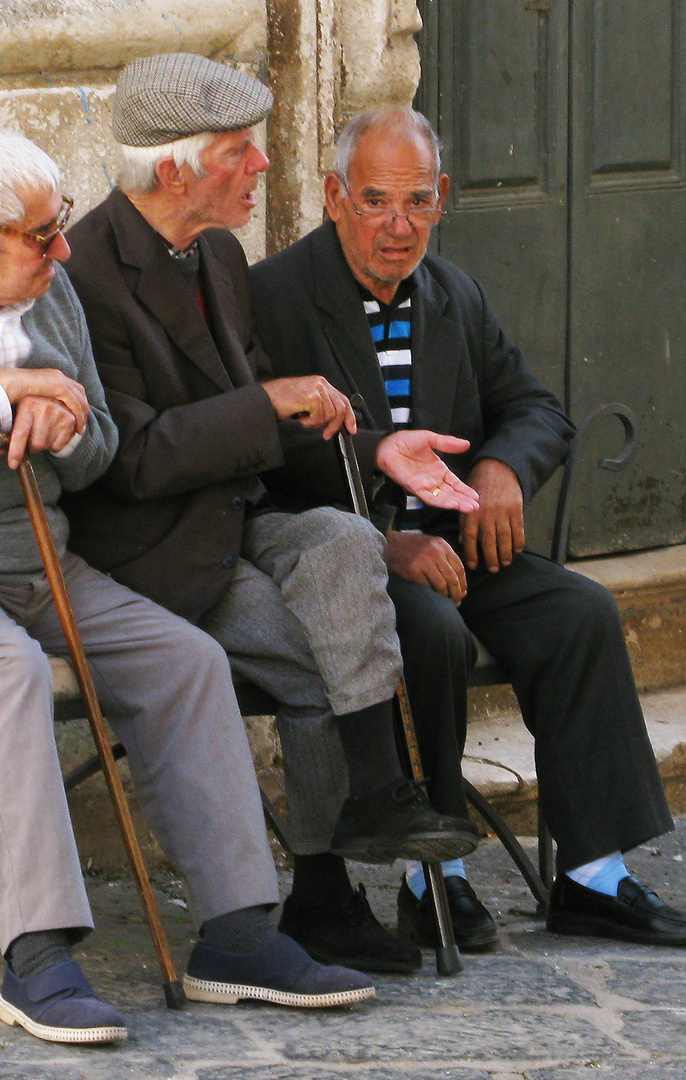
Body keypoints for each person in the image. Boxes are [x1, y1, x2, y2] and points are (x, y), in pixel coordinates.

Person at [0, 126, 377, 1047]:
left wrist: (65, 423)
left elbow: (103, 443)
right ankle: (38, 956)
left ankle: (235, 934)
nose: (63, 251)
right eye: (40, 235)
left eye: (60, 227)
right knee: (10, 669)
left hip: (39, 558)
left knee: (187, 659)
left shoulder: (52, 290)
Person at [62, 53, 485, 976]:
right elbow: (133, 459)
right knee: (316, 656)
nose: (260, 167)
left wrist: (373, 446)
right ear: (177, 169)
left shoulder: (215, 252)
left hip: (237, 514)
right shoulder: (87, 273)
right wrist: (270, 404)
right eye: (239, 152)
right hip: (155, 550)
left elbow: (267, 414)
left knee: (342, 537)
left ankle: (375, 800)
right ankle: (326, 887)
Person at [249, 107, 686, 949]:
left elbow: (534, 406)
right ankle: (442, 876)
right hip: (355, 560)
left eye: (418, 202)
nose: (398, 226)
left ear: (443, 198)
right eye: (376, 200)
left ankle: (591, 876)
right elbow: (261, 455)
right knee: (429, 628)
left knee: (579, 613)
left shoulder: (453, 295)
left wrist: (502, 467)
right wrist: (382, 533)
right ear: (333, 198)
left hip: (463, 545)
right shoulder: (275, 297)